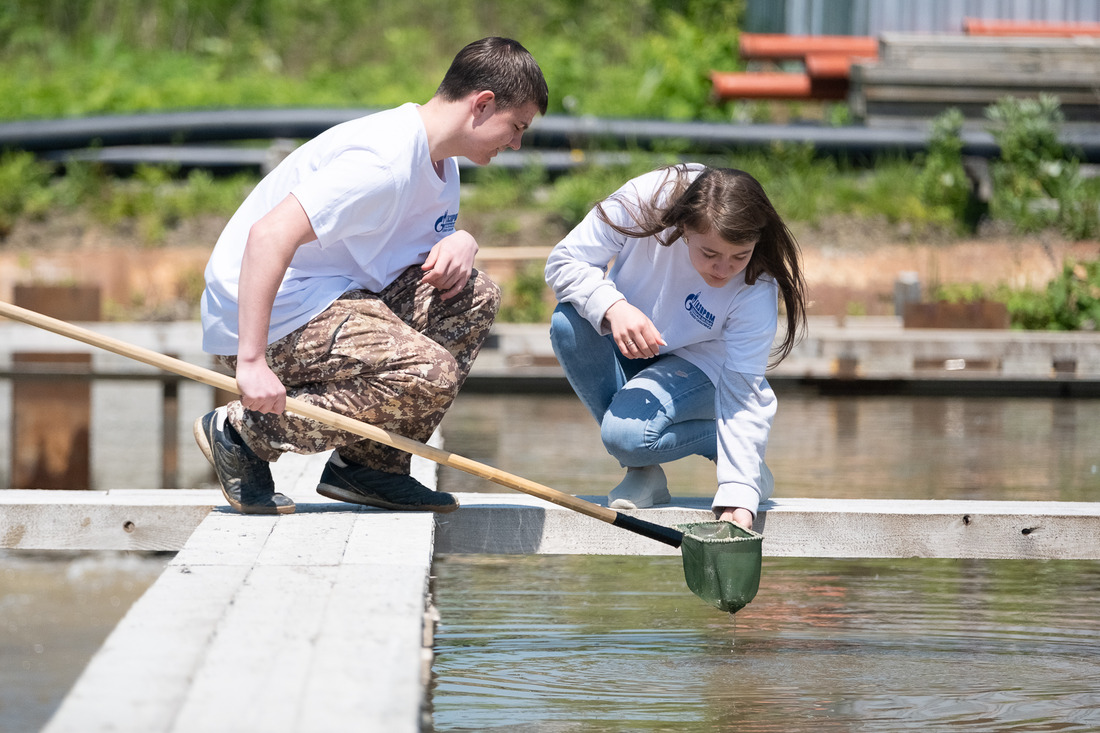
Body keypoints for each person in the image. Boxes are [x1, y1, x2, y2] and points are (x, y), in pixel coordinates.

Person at [194, 37, 549, 515]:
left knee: (473, 295)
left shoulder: (441, 161)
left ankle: (370, 468)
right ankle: (243, 432)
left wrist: (461, 241)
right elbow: (267, 236)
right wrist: (251, 361)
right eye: (516, 127)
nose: (516, 143)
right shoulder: (382, 162)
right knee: (428, 373)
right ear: (482, 104)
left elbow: (407, 258)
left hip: (335, 297)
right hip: (268, 312)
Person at [545, 163, 807, 530]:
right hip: (632, 334)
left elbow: (743, 390)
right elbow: (564, 260)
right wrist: (613, 306)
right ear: (683, 228)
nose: (723, 269)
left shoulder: (756, 285)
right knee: (567, 324)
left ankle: (733, 459)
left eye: (739, 255)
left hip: (701, 365)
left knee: (625, 436)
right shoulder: (647, 198)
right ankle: (642, 469)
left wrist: (739, 491)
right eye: (710, 253)